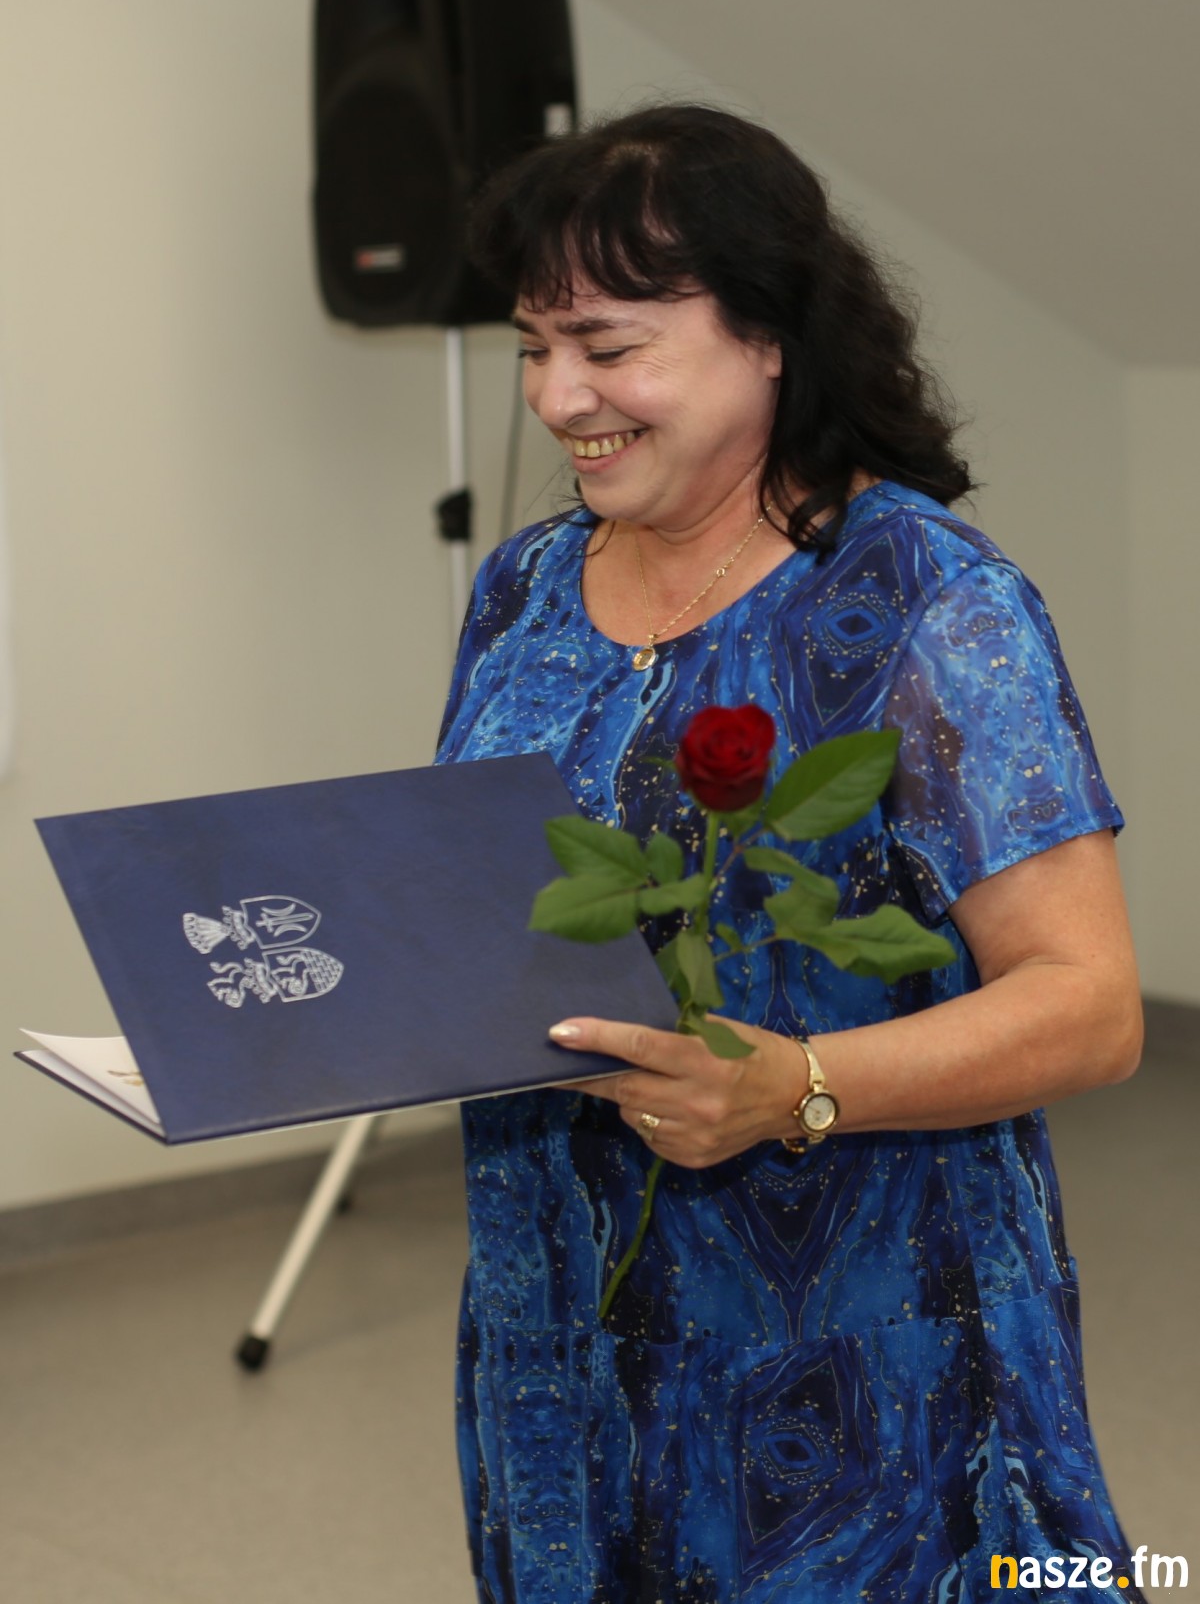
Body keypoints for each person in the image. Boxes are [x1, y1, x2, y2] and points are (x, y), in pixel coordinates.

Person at [436, 105, 1144, 1603]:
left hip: (860, 1367)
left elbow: (1090, 1006)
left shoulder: (925, 603)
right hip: (556, 1343)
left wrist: (799, 1086)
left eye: (606, 345)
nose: (557, 397)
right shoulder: (522, 590)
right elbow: (493, 906)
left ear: (768, 335)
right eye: (532, 345)